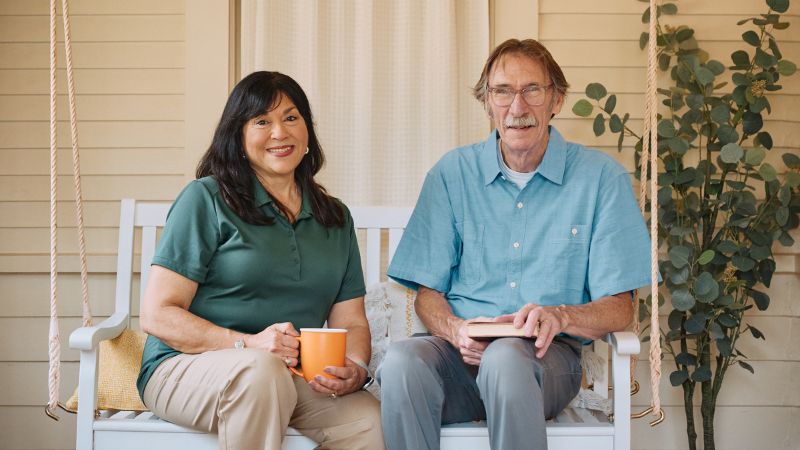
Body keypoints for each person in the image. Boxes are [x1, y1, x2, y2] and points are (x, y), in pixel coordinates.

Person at [378, 39, 655, 450]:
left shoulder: (600, 180)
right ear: (487, 102)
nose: (517, 107)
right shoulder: (452, 174)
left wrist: (558, 316)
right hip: (460, 361)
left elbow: (621, 307)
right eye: (502, 91)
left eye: (532, 90)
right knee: (402, 362)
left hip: (544, 364)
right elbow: (427, 295)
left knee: (506, 357)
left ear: (556, 99)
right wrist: (456, 331)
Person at [137, 71, 383, 450]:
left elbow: (350, 320)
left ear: (307, 131)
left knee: (369, 422)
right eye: (262, 121)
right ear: (238, 136)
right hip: (184, 369)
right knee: (262, 372)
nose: (279, 133)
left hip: (287, 375)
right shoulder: (205, 199)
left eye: (290, 117)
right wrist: (247, 344)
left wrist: (355, 367)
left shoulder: (334, 218)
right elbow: (157, 314)